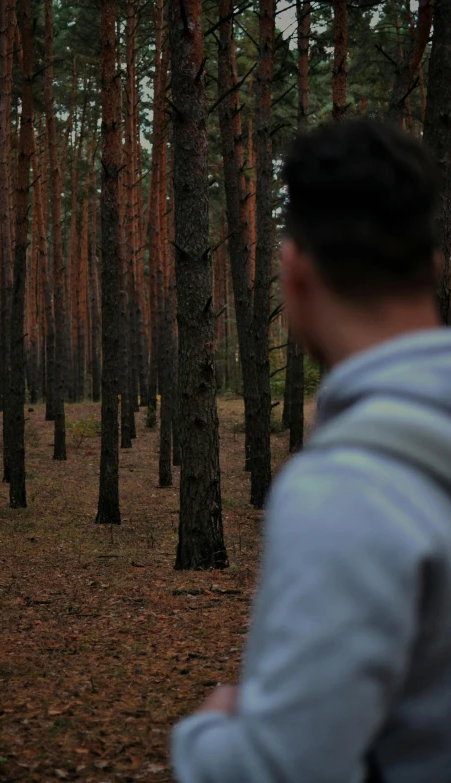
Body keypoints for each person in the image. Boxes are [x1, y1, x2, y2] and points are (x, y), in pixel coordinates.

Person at [171, 119, 451, 783]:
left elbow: (281, 768)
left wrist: (205, 734)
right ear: (433, 267)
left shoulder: (348, 488)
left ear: (293, 269)